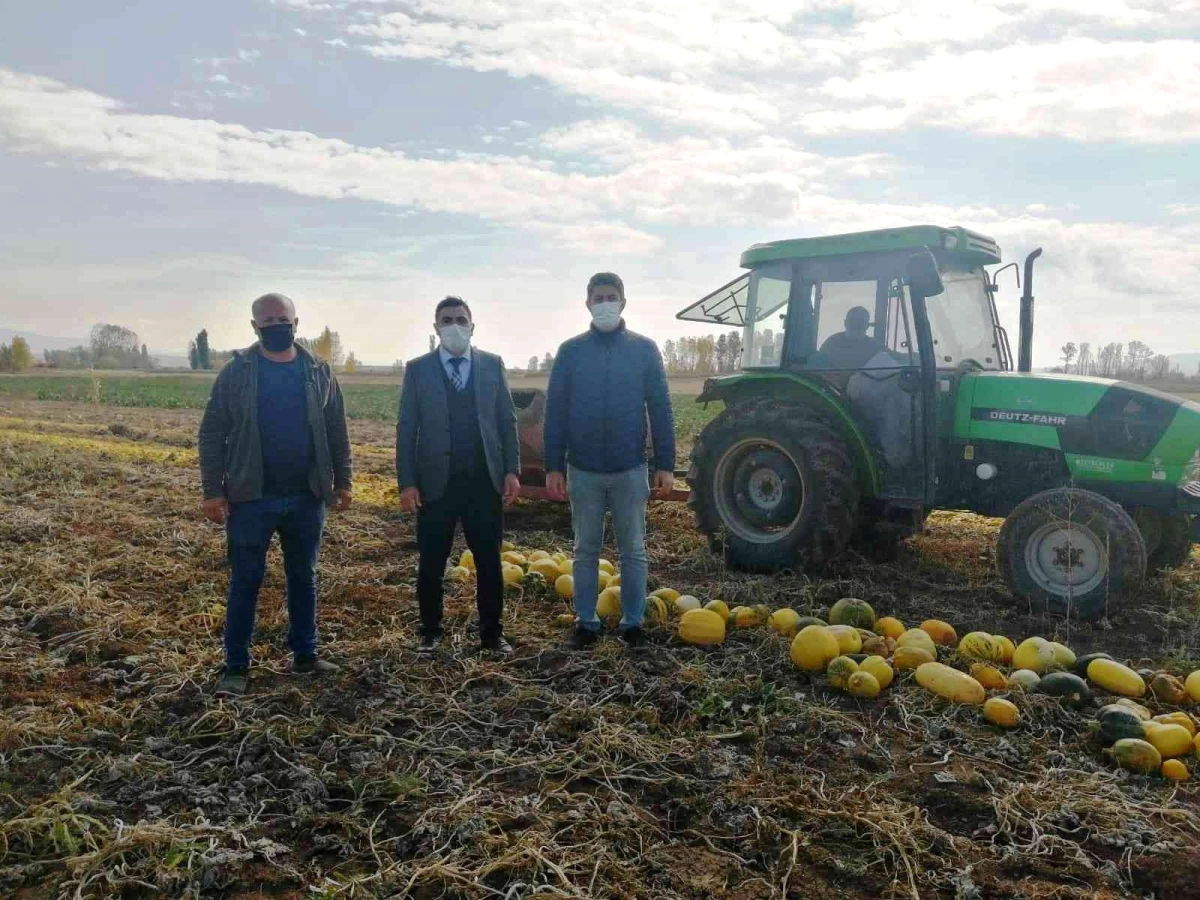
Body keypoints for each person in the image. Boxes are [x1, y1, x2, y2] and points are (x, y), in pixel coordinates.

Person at [198, 292, 353, 697]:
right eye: (267, 322)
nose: (276, 326)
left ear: (296, 322)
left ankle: (305, 655)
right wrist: (213, 491)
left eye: (281, 319)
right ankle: (235, 666)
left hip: (307, 496)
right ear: (254, 328)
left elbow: (337, 429)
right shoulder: (238, 372)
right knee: (246, 580)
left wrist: (344, 481)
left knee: (304, 578)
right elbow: (212, 433)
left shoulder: (318, 370)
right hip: (252, 498)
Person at [544, 272, 675, 650]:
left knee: (633, 549)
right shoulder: (571, 351)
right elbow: (556, 411)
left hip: (630, 468)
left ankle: (633, 622)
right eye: (598, 297)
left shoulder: (644, 350)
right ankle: (587, 621)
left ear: (623, 302)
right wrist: (554, 463)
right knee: (585, 548)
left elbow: (661, 409)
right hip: (582, 469)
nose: (605, 303)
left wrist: (664, 463)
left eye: (611, 297)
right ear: (587, 303)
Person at [397, 297, 521, 654]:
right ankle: (431, 631)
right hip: (436, 482)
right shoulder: (418, 369)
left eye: (461, 319)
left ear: (472, 325)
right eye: (447, 320)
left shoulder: (491, 365)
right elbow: (407, 428)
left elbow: (506, 421)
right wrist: (407, 481)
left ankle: (491, 635)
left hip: (484, 481)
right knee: (432, 561)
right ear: (436, 328)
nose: (455, 326)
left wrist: (511, 470)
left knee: (488, 561)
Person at [818, 306, 880, 370]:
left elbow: (889, 362)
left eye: (860, 321)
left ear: (867, 325)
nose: (855, 324)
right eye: (852, 320)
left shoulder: (875, 347)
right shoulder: (831, 343)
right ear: (845, 323)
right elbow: (818, 369)